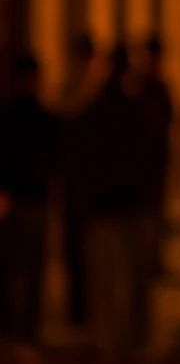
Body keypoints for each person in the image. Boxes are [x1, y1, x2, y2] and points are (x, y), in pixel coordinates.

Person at [77, 46, 159, 358]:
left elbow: (82, 160)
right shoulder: (139, 111)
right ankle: (136, 337)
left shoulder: (96, 111)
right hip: (131, 204)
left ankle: (109, 338)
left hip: (107, 206)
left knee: (107, 280)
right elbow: (153, 156)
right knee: (135, 278)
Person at [0, 55, 60, 361]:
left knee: (19, 269)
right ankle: (23, 330)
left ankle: (18, 329)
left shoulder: (13, 116)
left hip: (22, 201)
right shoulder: (34, 116)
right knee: (26, 270)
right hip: (29, 201)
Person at [58, 34, 103, 330]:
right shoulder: (76, 88)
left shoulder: (87, 88)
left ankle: (84, 309)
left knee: (86, 251)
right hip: (79, 183)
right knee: (79, 250)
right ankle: (80, 309)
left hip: (86, 183)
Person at [139, 37, 174, 278]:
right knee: (149, 215)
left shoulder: (157, 88)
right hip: (148, 164)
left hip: (156, 162)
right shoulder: (144, 87)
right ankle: (149, 259)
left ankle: (153, 258)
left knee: (155, 214)